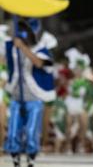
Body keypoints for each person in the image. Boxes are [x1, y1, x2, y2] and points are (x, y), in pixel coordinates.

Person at [4, 19, 56, 167]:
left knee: (31, 130)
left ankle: (31, 160)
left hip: (34, 98)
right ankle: (15, 160)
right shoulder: (11, 47)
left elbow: (40, 63)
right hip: (16, 95)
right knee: (13, 130)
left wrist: (23, 48)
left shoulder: (42, 49)